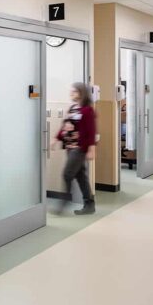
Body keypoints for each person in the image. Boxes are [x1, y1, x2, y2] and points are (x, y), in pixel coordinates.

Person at [52, 82, 97, 215]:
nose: (71, 93)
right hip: (70, 148)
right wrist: (56, 138)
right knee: (81, 176)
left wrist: (91, 148)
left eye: (74, 91)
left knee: (67, 174)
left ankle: (64, 202)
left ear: (81, 93)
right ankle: (89, 204)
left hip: (80, 148)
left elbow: (91, 131)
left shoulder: (88, 110)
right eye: (71, 91)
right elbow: (66, 126)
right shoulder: (72, 108)